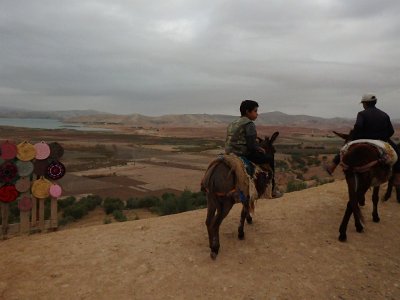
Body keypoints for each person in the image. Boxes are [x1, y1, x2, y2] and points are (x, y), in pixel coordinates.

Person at [325, 93, 400, 175]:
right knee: (397, 151)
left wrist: (356, 137)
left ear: (364, 103)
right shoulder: (384, 114)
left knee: (345, 148)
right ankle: (397, 175)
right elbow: (391, 131)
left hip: (364, 138)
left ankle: (332, 166)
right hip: (381, 139)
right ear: (375, 102)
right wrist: (384, 138)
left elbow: (358, 126)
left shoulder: (362, 114)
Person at [225, 100, 281, 197]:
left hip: (229, 152)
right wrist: (259, 148)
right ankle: (272, 190)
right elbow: (251, 146)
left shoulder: (233, 123)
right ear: (247, 112)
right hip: (242, 153)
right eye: (255, 111)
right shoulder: (249, 124)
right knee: (269, 158)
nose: (257, 114)